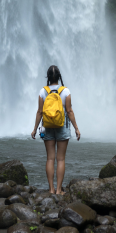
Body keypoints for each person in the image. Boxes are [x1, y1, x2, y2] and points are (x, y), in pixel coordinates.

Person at [31, 65, 81, 194]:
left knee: (50, 159)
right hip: (62, 127)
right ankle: (59, 190)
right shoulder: (66, 91)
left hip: (46, 127)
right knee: (61, 159)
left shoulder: (43, 91)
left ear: (48, 77)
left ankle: (51, 189)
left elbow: (39, 112)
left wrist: (35, 129)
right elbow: (69, 111)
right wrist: (76, 128)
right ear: (59, 77)